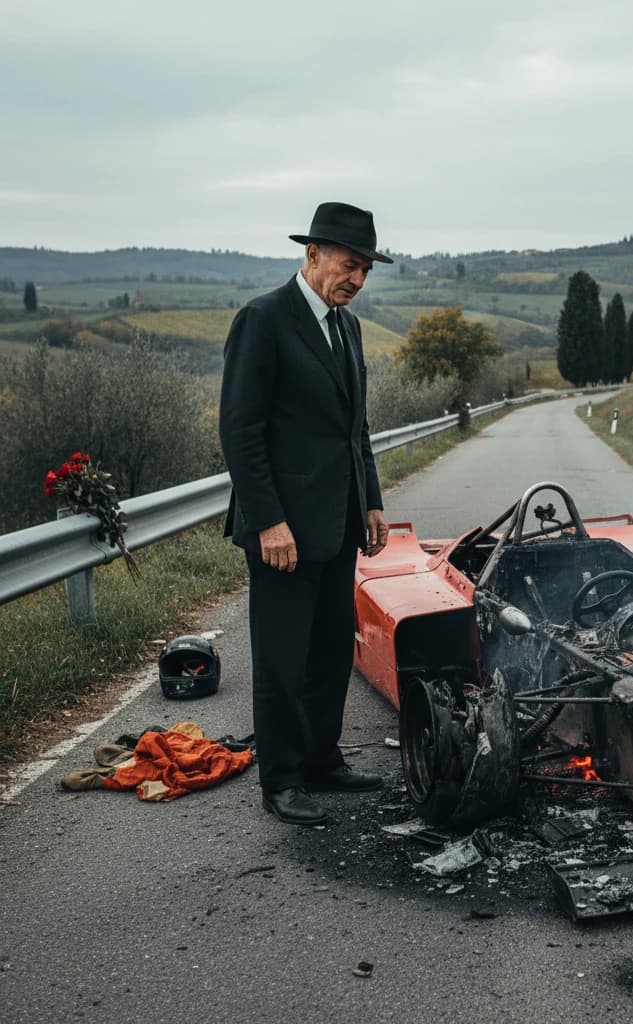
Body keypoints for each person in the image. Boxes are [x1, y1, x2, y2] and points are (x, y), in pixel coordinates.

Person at [219, 202, 392, 826]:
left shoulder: (347, 327)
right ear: (313, 255)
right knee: (282, 659)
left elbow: (356, 428)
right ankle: (283, 780)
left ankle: (322, 759)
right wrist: (268, 520)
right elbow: (241, 431)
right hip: (282, 529)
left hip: (338, 520)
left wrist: (370, 499)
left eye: (366, 270)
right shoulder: (263, 319)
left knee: (328, 652)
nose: (357, 280)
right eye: (350, 265)